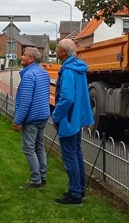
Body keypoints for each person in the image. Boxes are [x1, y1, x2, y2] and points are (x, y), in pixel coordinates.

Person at [52, 39, 94, 205]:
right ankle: (79, 189)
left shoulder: (68, 70)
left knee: (70, 156)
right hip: (77, 117)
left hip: (68, 117)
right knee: (76, 154)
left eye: (57, 49)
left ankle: (75, 194)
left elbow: (67, 97)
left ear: (64, 51)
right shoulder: (79, 67)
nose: (55, 51)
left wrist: (56, 116)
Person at [13, 47, 51, 189]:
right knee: (39, 147)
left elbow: (25, 101)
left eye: (24, 55)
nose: (21, 57)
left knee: (28, 148)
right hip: (43, 115)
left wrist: (17, 120)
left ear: (32, 59)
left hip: (32, 118)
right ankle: (43, 176)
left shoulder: (29, 75)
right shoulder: (43, 73)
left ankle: (36, 180)